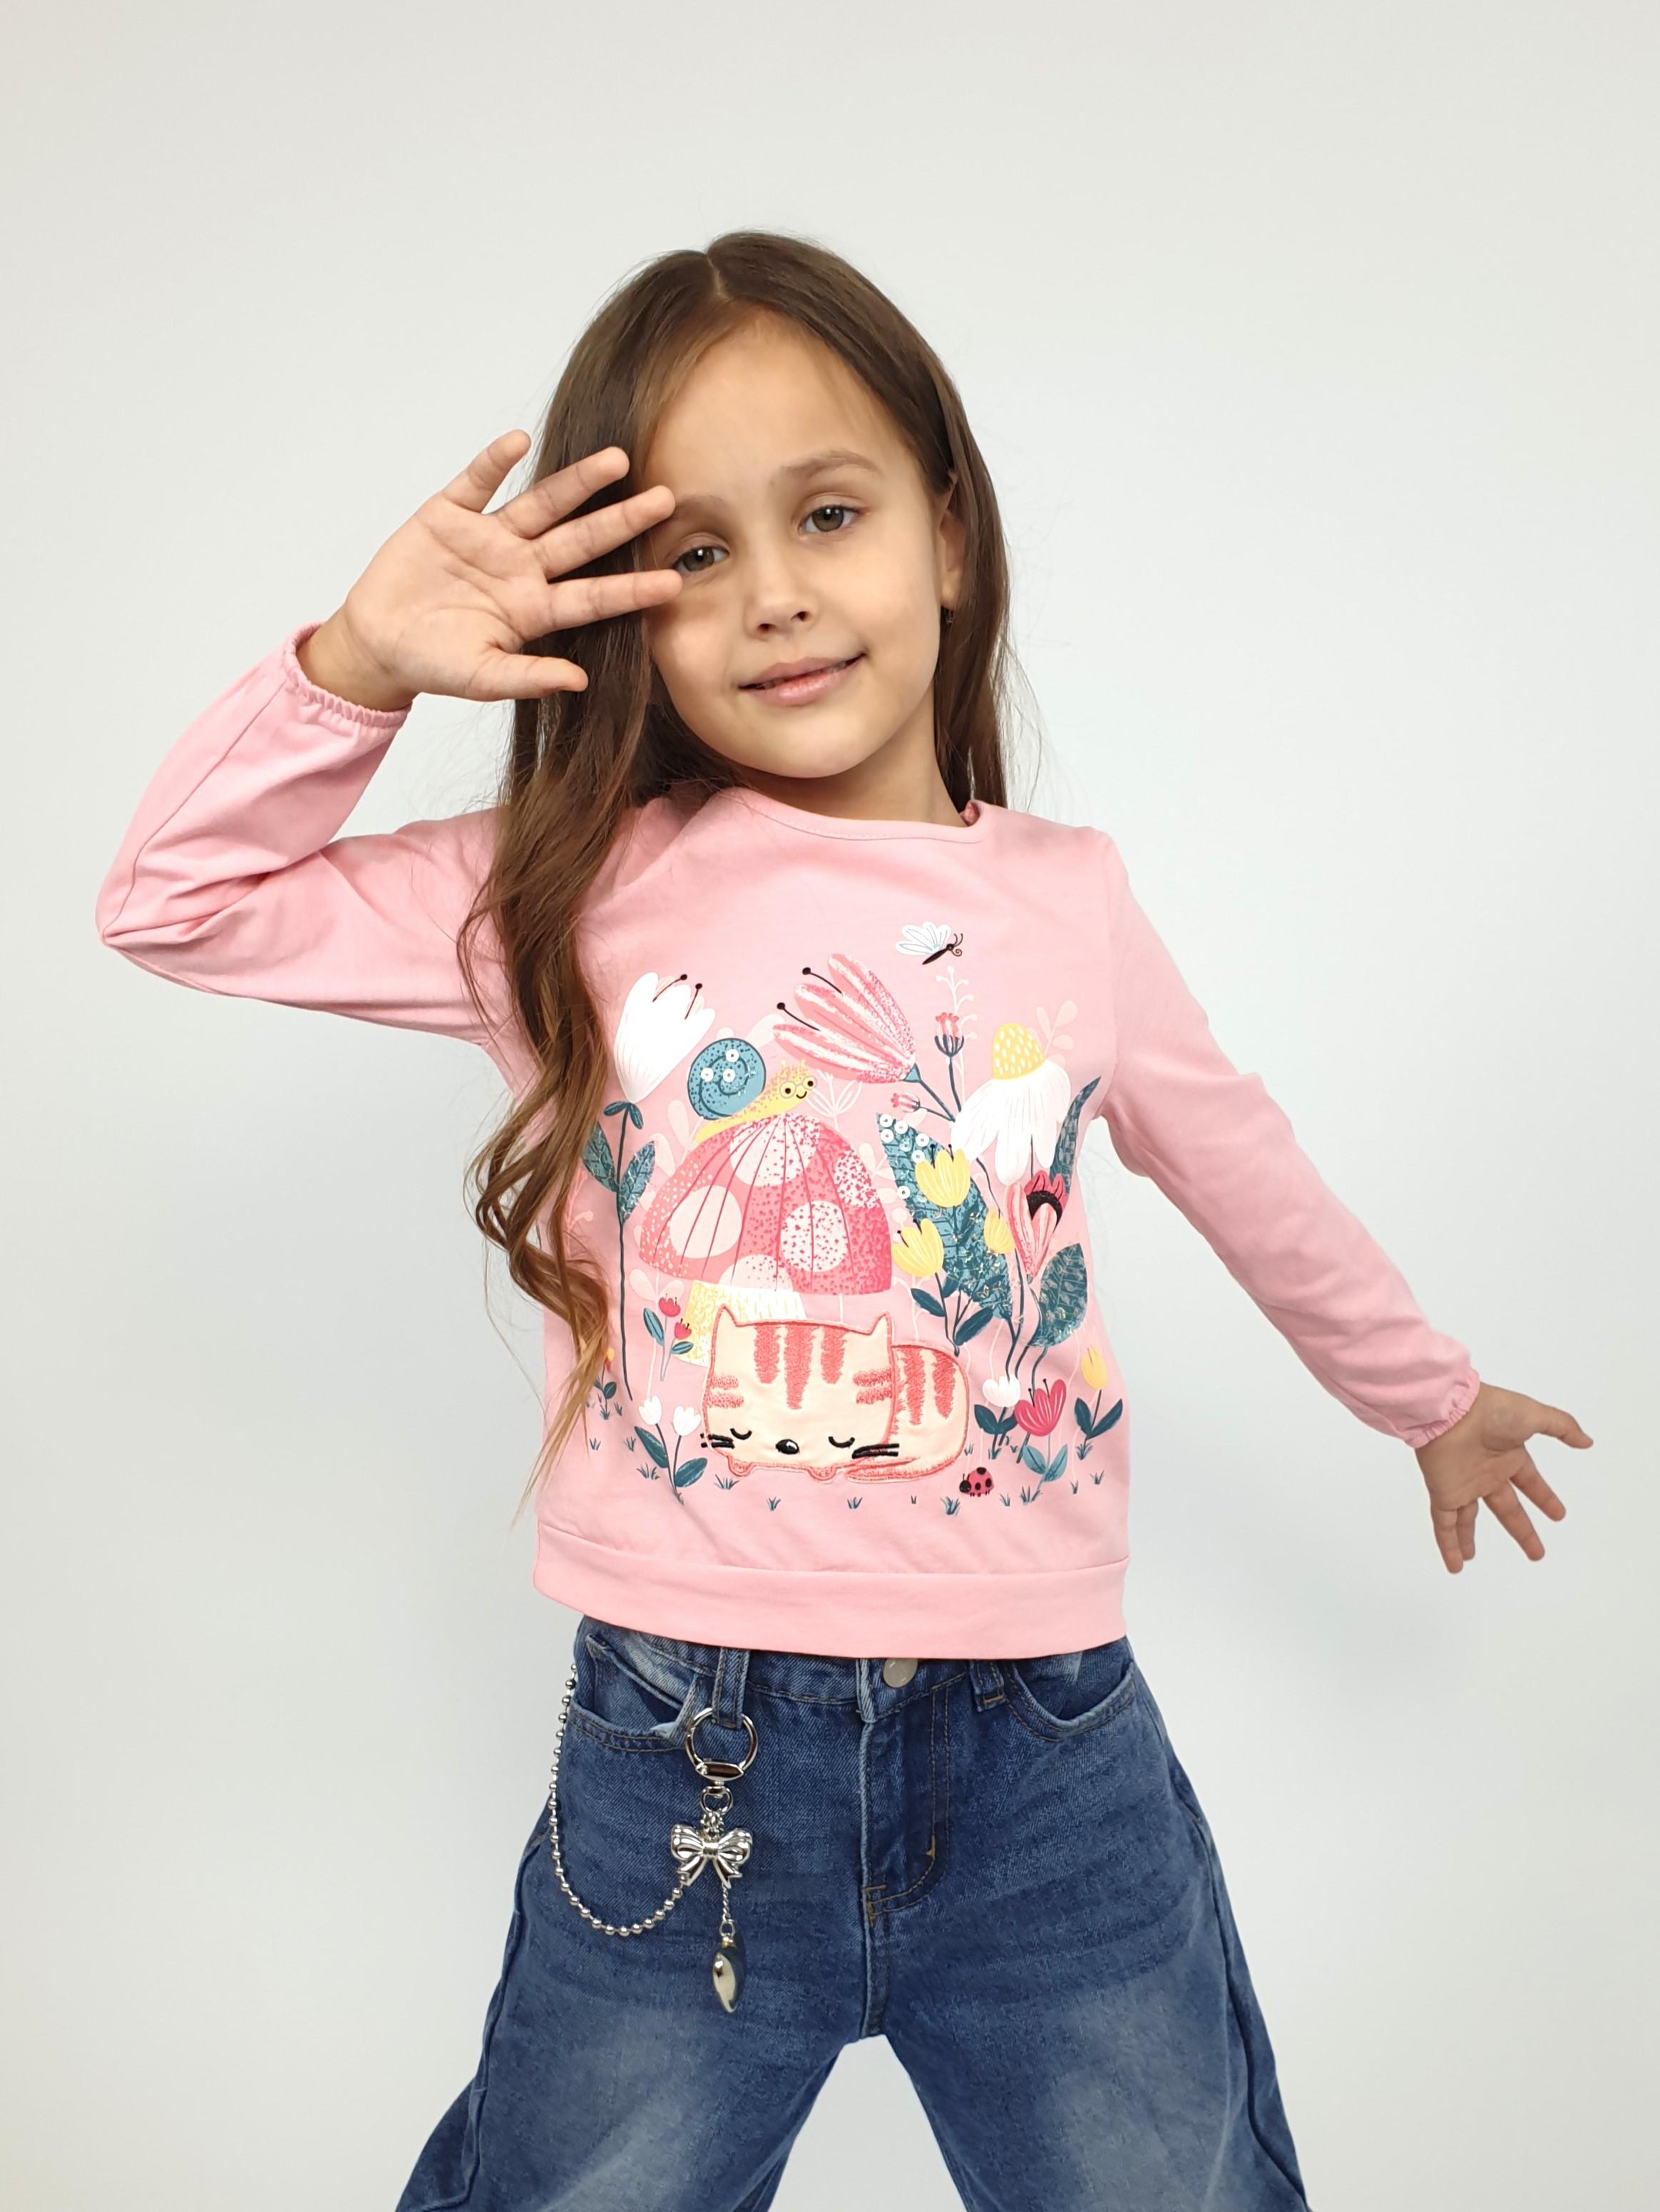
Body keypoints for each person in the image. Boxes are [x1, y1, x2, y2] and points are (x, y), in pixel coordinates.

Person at [92, 230, 1591, 2211]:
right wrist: (355, 666)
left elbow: (1247, 1168)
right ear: (622, 612)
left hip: (1049, 1761)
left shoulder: (1068, 899)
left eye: (827, 514)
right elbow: (175, 900)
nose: (777, 595)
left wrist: (1429, 1399)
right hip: (683, 1758)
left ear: (947, 535)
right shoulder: (571, 889)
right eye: (694, 553)